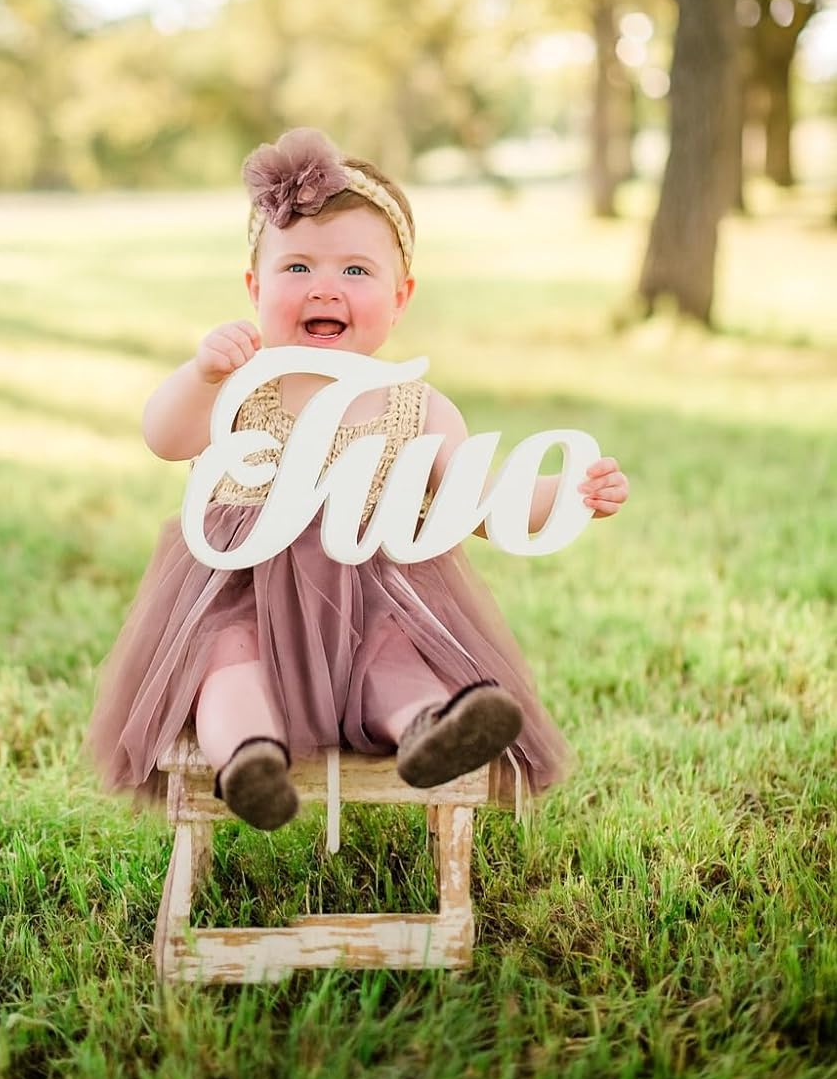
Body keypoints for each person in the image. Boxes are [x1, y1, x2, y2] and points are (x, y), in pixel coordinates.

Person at [88, 129, 629, 830]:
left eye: (354, 272)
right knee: (227, 658)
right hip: (239, 592)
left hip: (373, 597)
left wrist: (568, 497)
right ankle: (250, 760)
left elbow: (482, 502)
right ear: (255, 287)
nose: (324, 287)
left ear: (400, 298)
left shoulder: (418, 407)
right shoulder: (242, 387)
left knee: (396, 652)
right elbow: (164, 437)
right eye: (298, 268)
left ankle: (426, 729)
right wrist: (200, 374)